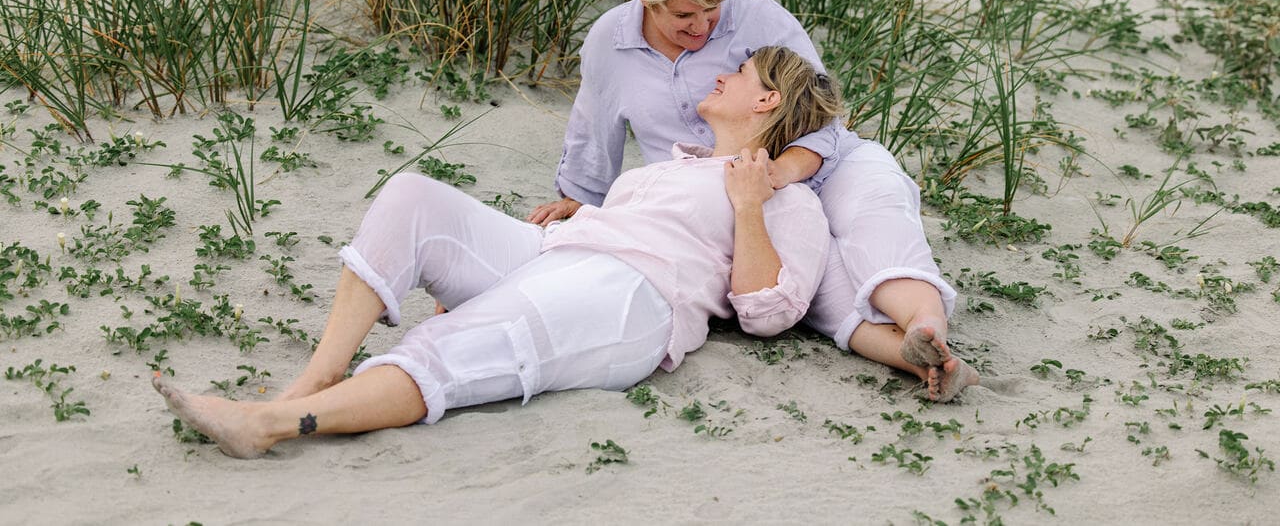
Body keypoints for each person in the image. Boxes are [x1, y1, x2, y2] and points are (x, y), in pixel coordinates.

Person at [153, 47, 838, 458]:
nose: (722, 74)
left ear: (768, 98)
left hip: (631, 296)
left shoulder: (789, 201)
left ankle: (270, 422)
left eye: (740, 70)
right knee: (413, 199)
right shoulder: (674, 165)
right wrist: (590, 211)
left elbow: (767, 310)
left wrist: (749, 208)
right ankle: (315, 380)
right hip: (560, 249)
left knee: (457, 339)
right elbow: (649, 219)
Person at [528, 0, 977, 401]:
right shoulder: (609, 42)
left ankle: (928, 324)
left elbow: (818, 108)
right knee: (815, 299)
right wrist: (580, 196)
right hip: (725, 196)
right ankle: (927, 362)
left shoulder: (760, 18)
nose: (700, 26)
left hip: (824, 163)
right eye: (683, 16)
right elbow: (593, 125)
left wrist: (781, 172)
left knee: (878, 217)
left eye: (712, 11)